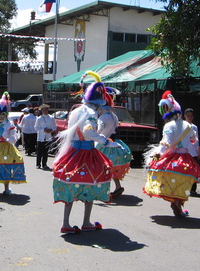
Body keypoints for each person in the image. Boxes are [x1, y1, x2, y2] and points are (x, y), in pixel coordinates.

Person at [53, 71, 122, 234]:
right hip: (87, 153)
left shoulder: (76, 110)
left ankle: (66, 223)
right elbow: (89, 132)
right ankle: (86, 222)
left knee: (70, 186)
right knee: (90, 185)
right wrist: (106, 142)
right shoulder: (91, 113)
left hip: (72, 153)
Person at [143, 91, 200, 218]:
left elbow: (166, 143)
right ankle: (178, 205)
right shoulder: (188, 125)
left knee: (171, 182)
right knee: (183, 183)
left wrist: (156, 155)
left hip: (172, 159)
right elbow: (194, 139)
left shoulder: (169, 126)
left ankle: (176, 204)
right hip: (186, 159)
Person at [96, 87, 132, 198]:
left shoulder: (103, 118)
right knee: (113, 167)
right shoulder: (113, 115)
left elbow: (98, 131)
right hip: (114, 142)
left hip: (103, 144)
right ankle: (117, 186)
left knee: (100, 168)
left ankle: (101, 190)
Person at [34, 104, 57, 170]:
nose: (45, 111)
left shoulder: (51, 118)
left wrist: (51, 130)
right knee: (39, 152)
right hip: (41, 137)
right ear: (41, 111)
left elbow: (54, 126)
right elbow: (36, 127)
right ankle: (38, 164)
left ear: (48, 110)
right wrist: (43, 130)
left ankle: (44, 164)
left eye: (46, 109)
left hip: (48, 137)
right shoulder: (39, 118)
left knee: (45, 152)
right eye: (43, 110)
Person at [184, 108, 200, 196]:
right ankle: (184, 188)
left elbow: (196, 140)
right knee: (185, 170)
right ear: (185, 116)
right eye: (188, 115)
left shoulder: (194, 127)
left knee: (193, 171)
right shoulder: (182, 126)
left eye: (191, 116)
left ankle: (193, 189)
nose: (190, 117)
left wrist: (197, 151)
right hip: (185, 151)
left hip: (193, 152)